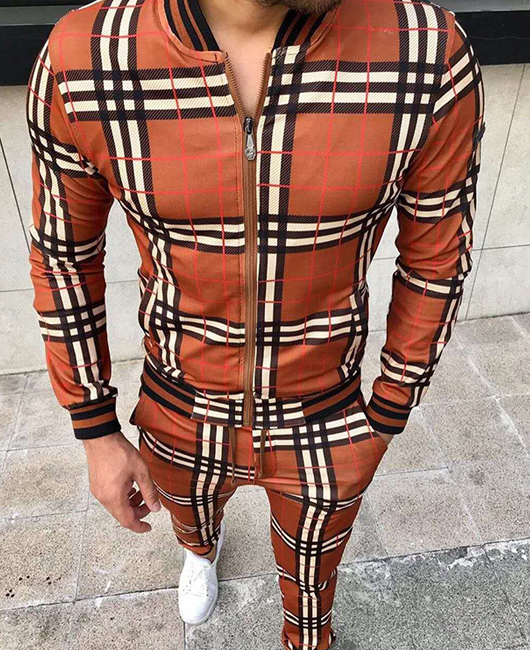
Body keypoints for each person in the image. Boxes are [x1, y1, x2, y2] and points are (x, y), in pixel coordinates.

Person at [25, 0, 485, 647]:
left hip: (326, 412)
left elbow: (437, 256)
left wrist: (387, 411)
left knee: (312, 590)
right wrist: (95, 429)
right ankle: (200, 552)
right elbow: (64, 257)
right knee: (191, 520)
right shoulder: (87, 56)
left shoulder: (423, 50)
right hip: (178, 404)